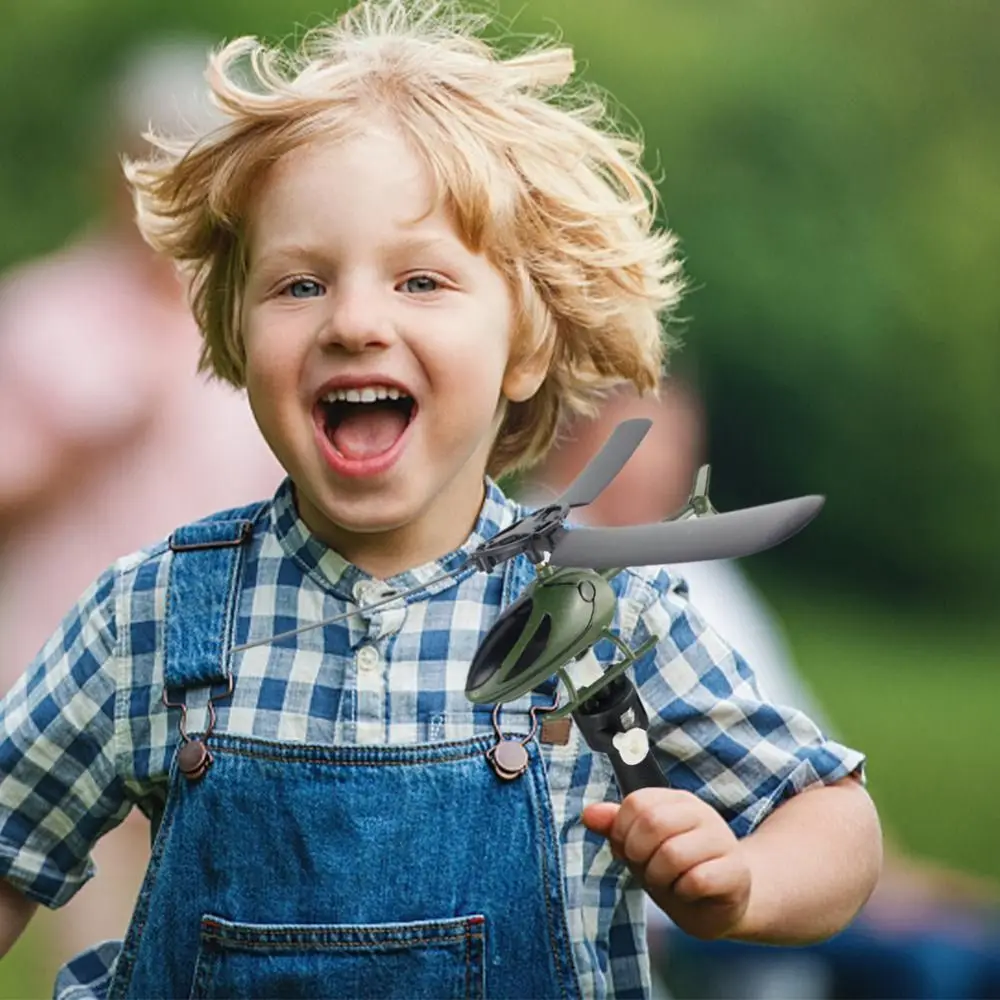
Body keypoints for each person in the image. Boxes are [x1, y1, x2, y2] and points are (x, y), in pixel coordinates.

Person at [0, 3, 882, 998]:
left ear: (526, 347)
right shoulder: (155, 618)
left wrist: (748, 879)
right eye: (299, 286)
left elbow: (830, 812)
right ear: (238, 339)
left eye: (420, 279)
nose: (355, 321)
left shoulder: (600, 618)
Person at [529, 382, 1000, 999]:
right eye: (643, 437)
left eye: (677, 439)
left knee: (977, 948)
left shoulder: (704, 567)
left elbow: (813, 763)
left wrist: (901, 881)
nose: (665, 462)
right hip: (682, 898)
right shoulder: (549, 564)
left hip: (788, 861)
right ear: (579, 438)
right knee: (932, 972)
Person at [0, 40, 284, 979]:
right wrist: (77, 448)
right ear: (111, 167)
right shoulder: (41, 314)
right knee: (89, 928)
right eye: (153, 160)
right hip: (52, 669)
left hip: (224, 676)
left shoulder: (261, 325)